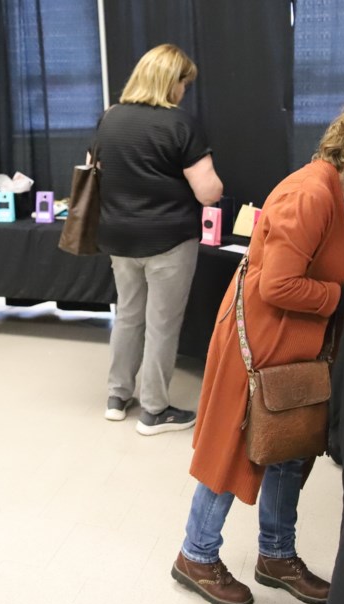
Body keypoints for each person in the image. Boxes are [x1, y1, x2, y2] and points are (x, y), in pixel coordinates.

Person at [171, 98, 344, 604]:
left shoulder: (327, 189)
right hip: (263, 346)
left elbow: (307, 265)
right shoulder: (312, 193)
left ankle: (276, 556)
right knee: (235, 447)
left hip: (288, 346)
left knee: (288, 449)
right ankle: (195, 556)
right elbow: (279, 286)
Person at [94, 44, 223, 435]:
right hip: (168, 239)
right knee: (162, 325)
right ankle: (154, 410)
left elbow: (99, 168)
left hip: (119, 237)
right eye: (184, 83)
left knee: (128, 317)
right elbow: (208, 193)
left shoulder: (109, 118)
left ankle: (118, 397)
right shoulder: (180, 124)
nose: (185, 91)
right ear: (171, 82)